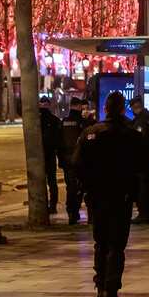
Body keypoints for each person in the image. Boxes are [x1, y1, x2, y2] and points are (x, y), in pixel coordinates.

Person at [73, 91, 149, 297]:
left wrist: (88, 186)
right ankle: (111, 291)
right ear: (122, 109)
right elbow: (144, 164)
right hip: (121, 196)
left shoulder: (90, 133)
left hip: (97, 196)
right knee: (116, 245)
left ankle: (100, 289)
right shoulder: (131, 135)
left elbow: (77, 164)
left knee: (101, 242)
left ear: (105, 109)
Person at [59, 96, 95, 224]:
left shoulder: (63, 122)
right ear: (79, 107)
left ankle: (72, 214)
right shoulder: (83, 122)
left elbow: (59, 143)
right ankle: (91, 216)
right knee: (86, 187)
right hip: (81, 161)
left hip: (67, 161)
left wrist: (61, 160)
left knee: (71, 188)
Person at [129, 96, 149, 224]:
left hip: (142, 157)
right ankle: (147, 212)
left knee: (142, 186)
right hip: (148, 156)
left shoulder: (142, 119)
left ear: (135, 107)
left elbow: (138, 139)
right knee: (146, 185)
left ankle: (144, 213)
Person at [39, 95, 63, 214]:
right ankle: (52, 205)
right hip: (50, 154)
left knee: (41, 180)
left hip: (40, 156)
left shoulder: (36, 120)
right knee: (52, 181)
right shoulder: (54, 120)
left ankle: (42, 205)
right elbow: (59, 140)